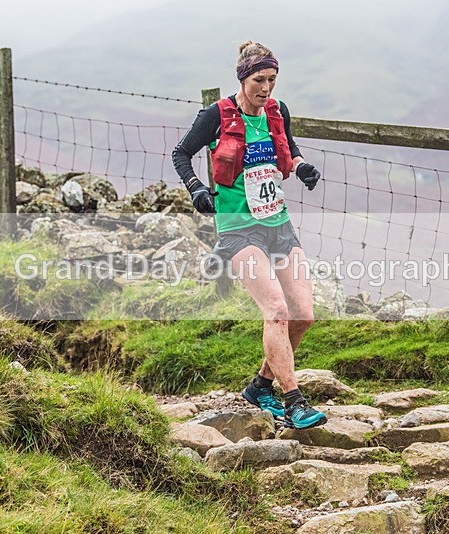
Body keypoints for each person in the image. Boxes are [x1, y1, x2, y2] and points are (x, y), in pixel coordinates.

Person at [172, 41, 327, 429]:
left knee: (303, 315)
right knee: (275, 310)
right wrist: (196, 187)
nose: (267, 88)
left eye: (272, 80)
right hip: (239, 229)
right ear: (243, 77)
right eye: (260, 80)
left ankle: (261, 385)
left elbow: (289, 148)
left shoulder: (277, 111)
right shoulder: (217, 114)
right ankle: (294, 402)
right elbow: (181, 152)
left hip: (279, 225)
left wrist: (303, 166)